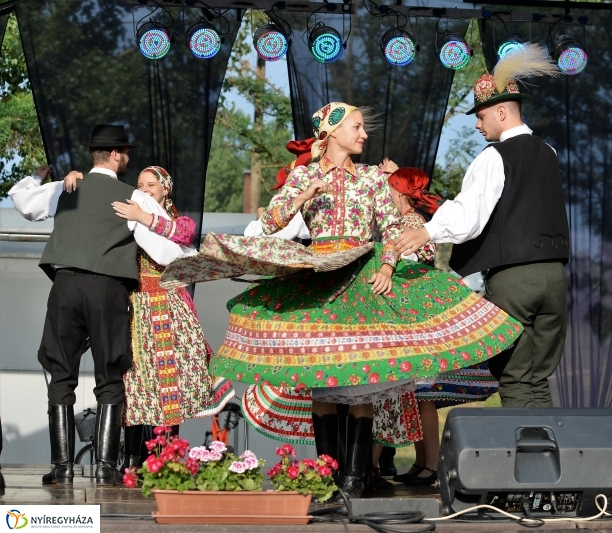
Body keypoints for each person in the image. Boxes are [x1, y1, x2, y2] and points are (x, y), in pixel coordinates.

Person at [161, 103, 522, 500]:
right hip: (319, 279)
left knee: (360, 377)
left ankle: (354, 477)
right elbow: (270, 222)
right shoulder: (306, 175)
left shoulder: (371, 178)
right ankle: (327, 478)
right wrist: (303, 195)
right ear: (331, 133)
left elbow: (390, 226)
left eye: (363, 128)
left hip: (362, 279)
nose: (364, 134)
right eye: (356, 127)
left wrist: (386, 266)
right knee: (322, 382)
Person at [8, 124, 187, 486]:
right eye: (127, 154)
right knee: (110, 373)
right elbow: (167, 249)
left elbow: (21, 199)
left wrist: (38, 176)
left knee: (60, 372)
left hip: (66, 286)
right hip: (107, 290)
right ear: (118, 155)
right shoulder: (133, 197)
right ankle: (106, 467)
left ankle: (62, 467)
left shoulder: (66, 187)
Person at [395, 44, 568, 409]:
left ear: (501, 112)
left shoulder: (494, 156)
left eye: (482, 115)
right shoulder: (548, 152)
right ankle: (554, 460)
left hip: (514, 281)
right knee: (539, 378)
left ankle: (528, 462)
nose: (476, 123)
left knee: (516, 377)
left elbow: (469, 215)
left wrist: (427, 231)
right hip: (555, 278)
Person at [63, 166, 234, 474]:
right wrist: (80, 178)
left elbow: (185, 233)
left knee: (170, 386)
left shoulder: (176, 220)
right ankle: (131, 461)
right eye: (139, 184)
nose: (143, 189)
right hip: (134, 309)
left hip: (169, 310)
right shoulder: (126, 215)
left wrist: (144, 217)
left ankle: (168, 461)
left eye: (151, 185)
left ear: (165, 189)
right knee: (134, 385)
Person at [374, 166, 498, 486]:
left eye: (390, 190)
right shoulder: (419, 220)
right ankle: (425, 462)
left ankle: (424, 464)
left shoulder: (411, 222)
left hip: (412, 316)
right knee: (418, 394)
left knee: (415, 392)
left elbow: (413, 263)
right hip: (418, 315)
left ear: (400, 194)